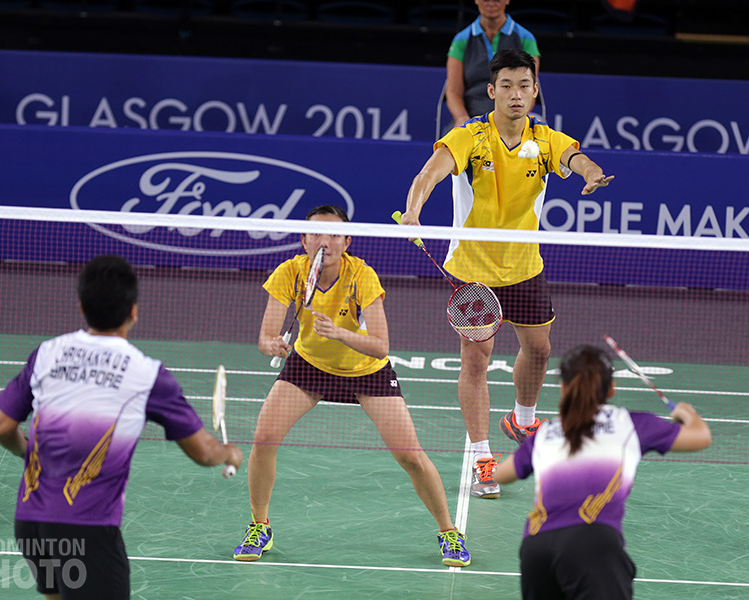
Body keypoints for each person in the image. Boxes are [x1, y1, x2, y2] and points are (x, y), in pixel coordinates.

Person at [399, 48, 614, 500]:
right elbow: (429, 173)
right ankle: (482, 456)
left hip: (523, 266)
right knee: (476, 361)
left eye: (524, 86)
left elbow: (577, 158)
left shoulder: (545, 138)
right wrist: (414, 210)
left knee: (539, 350)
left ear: (535, 91)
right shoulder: (470, 136)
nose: (516, 94)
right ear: (492, 91)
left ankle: (522, 419)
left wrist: (591, 174)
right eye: (507, 86)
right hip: (473, 269)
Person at [0, 255, 243, 600]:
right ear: (134, 312)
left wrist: (28, 454)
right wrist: (229, 453)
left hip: (30, 523)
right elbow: (203, 452)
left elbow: (1, 427)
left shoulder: (47, 354)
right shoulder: (147, 375)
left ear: (81, 307)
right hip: (87, 529)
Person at [232, 204, 471, 567]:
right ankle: (259, 525)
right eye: (315, 233)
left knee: (410, 456)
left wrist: (339, 333)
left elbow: (381, 346)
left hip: (366, 371)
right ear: (303, 240)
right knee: (264, 438)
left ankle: (449, 531)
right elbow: (265, 337)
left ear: (347, 241)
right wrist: (272, 345)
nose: (323, 241)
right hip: (310, 366)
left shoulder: (362, 275)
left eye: (333, 234)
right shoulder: (290, 273)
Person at [494, 344, 712, 599]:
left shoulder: (545, 433)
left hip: (536, 548)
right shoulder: (631, 424)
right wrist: (688, 414)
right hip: (592, 542)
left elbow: (501, 475)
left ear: (563, 388)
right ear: (611, 389)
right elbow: (701, 438)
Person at [446, 0, 541, 128]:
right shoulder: (461, 40)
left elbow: (528, 89)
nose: (491, 3)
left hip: (513, 118)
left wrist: (513, 119)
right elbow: (454, 91)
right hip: (471, 119)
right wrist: (463, 119)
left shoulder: (526, 38)